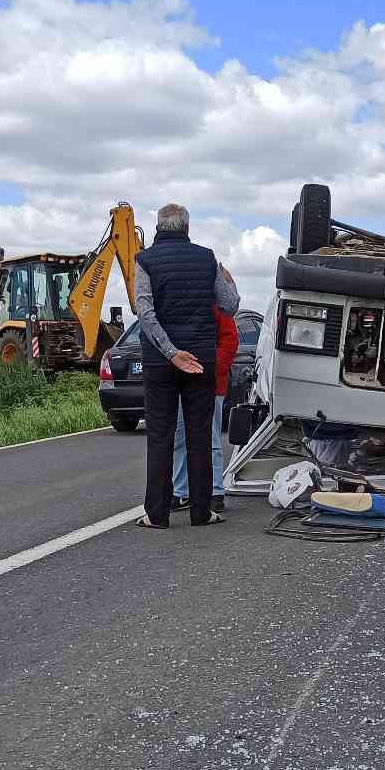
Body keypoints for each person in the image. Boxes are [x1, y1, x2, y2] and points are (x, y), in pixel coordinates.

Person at [133, 204, 240, 528]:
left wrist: (169, 352)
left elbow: (145, 312)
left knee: (161, 436)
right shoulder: (207, 259)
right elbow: (230, 306)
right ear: (187, 227)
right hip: (201, 360)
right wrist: (228, 282)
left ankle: (157, 514)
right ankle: (202, 511)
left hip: (161, 363)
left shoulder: (145, 260)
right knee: (199, 435)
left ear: (158, 227)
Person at [171, 265, 240, 514]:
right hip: (184, 381)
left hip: (209, 383)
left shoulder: (218, 309)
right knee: (180, 437)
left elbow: (230, 342)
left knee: (209, 438)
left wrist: (207, 369)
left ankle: (214, 491)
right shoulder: (185, 306)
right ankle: (182, 492)